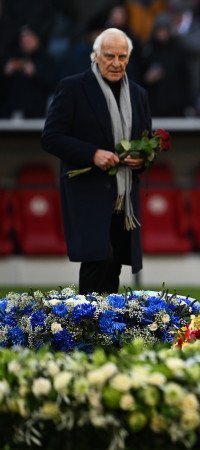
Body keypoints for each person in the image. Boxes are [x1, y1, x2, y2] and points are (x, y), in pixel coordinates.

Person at [41, 28, 151, 295]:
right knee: (97, 259)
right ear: (96, 56)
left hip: (123, 196)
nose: (116, 63)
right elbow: (51, 137)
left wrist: (143, 159)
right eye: (109, 56)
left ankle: (106, 328)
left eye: (122, 57)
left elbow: (146, 142)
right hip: (87, 192)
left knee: (113, 264)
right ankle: (86, 326)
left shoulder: (138, 94)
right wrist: (92, 154)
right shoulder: (73, 87)